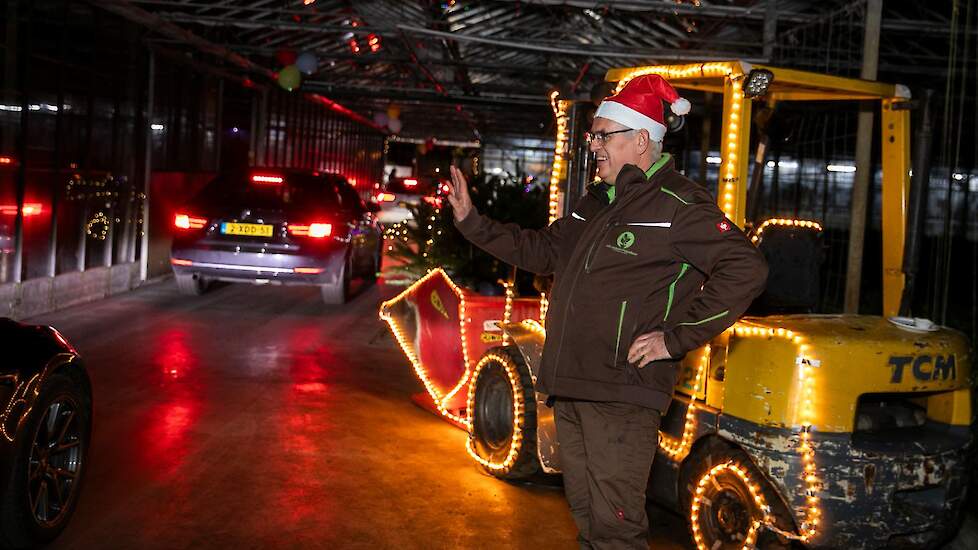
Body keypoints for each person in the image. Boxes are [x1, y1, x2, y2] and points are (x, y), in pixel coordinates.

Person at [446, 74, 768, 550]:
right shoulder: (596, 202)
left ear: (642, 139)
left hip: (621, 395)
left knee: (616, 529)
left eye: (603, 135)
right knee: (588, 518)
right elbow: (541, 250)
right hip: (572, 386)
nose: (593, 145)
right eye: (592, 135)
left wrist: (673, 337)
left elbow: (746, 267)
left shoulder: (677, 204)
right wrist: (472, 222)